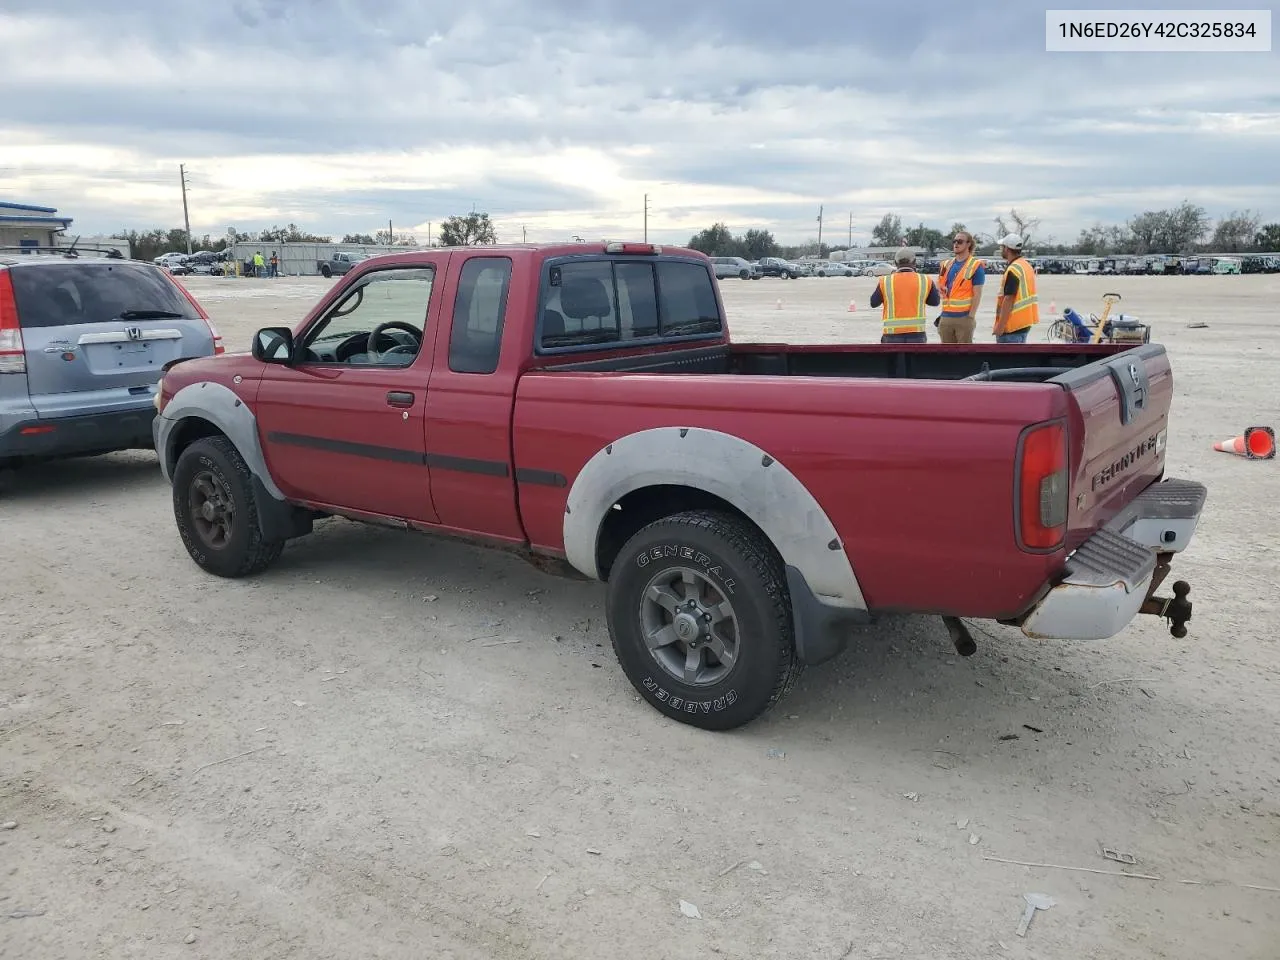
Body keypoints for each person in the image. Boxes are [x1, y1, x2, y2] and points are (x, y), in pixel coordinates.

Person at [869, 248, 940, 343]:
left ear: (895, 263)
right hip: (917, 334)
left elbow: (873, 303)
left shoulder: (885, 281)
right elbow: (935, 302)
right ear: (914, 262)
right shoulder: (925, 280)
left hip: (891, 335)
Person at [935, 231, 984, 343]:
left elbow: (978, 294)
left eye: (960, 241)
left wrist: (970, 317)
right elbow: (940, 283)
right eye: (955, 241)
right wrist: (940, 288)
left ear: (968, 244)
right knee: (947, 356)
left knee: (964, 356)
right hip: (946, 317)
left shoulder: (975, 266)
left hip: (964, 318)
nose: (956, 244)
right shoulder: (946, 264)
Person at [992, 233, 1039, 343]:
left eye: (1002, 247)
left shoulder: (1013, 269)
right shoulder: (1026, 265)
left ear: (1007, 249)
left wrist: (1000, 327)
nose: (1001, 249)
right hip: (1024, 323)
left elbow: (1009, 299)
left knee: (1007, 360)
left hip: (1011, 327)